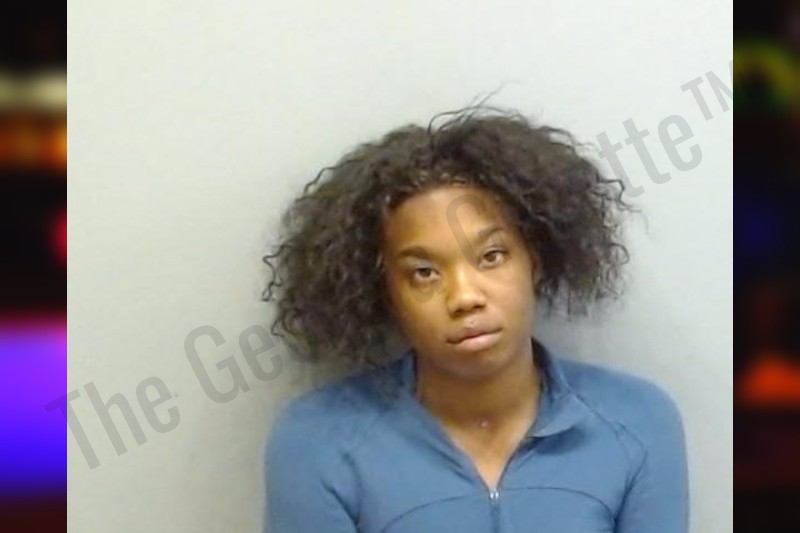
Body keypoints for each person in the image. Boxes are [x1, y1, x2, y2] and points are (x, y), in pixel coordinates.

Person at [261, 104, 689, 532]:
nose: (465, 297)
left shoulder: (637, 422)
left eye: (492, 256)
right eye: (424, 273)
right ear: (384, 293)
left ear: (535, 260)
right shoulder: (321, 443)